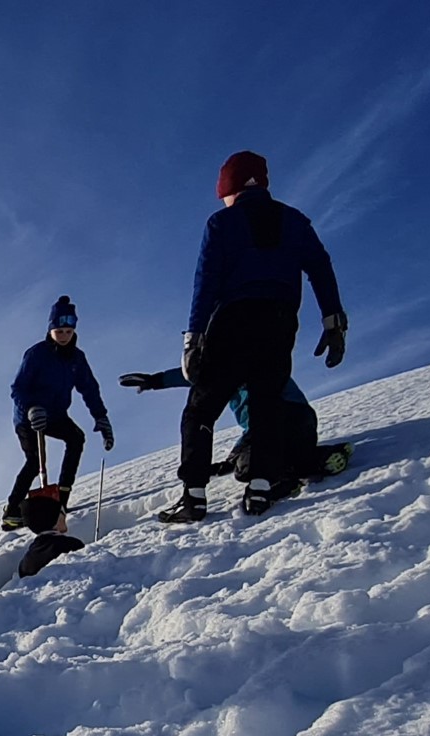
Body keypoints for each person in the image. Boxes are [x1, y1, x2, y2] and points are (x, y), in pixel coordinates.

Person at [158, 150, 347, 523]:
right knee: (266, 402)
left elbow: (206, 283)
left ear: (228, 189)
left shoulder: (222, 223)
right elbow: (321, 268)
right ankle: (260, 489)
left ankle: (193, 497)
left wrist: (193, 338)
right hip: (279, 322)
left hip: (233, 320)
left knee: (202, 407)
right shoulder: (295, 221)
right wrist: (334, 321)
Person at [118, 367, 352, 485]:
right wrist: (154, 381)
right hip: (293, 423)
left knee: (252, 468)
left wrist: (156, 381)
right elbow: (193, 374)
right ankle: (320, 458)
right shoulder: (223, 379)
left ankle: (290, 473)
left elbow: (195, 373)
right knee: (257, 463)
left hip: (288, 415)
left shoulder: (249, 359)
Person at [4, 296, 112, 530]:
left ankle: (61, 497)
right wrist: (31, 409)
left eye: (68, 331)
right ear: (51, 329)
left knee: (76, 438)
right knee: (34, 462)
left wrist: (101, 417)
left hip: (55, 415)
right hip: (28, 418)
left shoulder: (77, 359)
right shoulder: (37, 354)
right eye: (59, 331)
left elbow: (89, 389)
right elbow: (18, 388)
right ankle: (12, 510)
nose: (64, 335)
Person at [16, 492, 86, 579]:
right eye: (62, 512)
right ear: (54, 518)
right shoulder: (71, 544)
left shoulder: (25, 562)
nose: (65, 516)